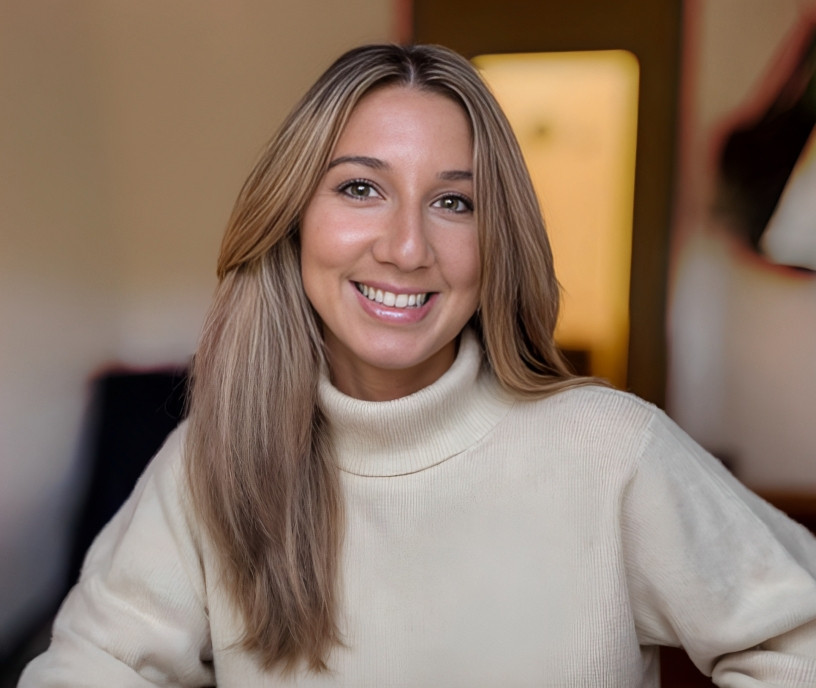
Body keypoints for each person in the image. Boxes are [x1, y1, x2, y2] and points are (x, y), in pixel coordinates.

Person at [19, 43, 816, 687]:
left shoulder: (611, 452)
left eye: (454, 202)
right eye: (361, 188)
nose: (406, 248)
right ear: (292, 220)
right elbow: (90, 667)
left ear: (496, 241)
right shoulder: (212, 461)